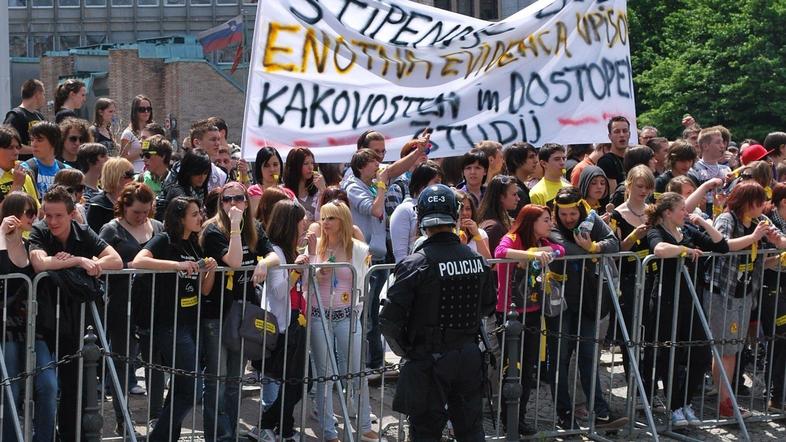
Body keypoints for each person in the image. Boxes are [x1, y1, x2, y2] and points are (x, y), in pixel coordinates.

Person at [380, 184, 496, 441]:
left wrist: (408, 349)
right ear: (455, 216)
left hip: (428, 359)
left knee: (425, 432)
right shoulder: (476, 261)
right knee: (471, 430)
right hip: (468, 355)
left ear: (421, 218)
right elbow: (489, 305)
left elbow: (389, 320)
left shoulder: (415, 264)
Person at [28, 185, 123, 442]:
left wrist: (93, 265)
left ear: (71, 214)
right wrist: (79, 261)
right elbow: (39, 263)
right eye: (48, 215)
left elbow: (115, 260)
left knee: (74, 387)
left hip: (77, 321)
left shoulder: (83, 231)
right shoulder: (39, 230)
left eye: (58, 215)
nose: (52, 221)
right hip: (44, 322)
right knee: (45, 387)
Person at [130, 196, 218, 442]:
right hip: (170, 324)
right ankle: (159, 437)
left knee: (182, 386)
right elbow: (139, 261)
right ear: (180, 218)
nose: (200, 217)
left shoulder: (195, 243)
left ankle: (167, 436)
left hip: (192, 322)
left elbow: (205, 289)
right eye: (194, 214)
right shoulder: (165, 239)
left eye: (200, 213)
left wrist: (209, 269)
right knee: (191, 390)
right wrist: (177, 265)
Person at [199, 181, 279, 442]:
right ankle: (216, 436)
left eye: (239, 198)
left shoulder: (254, 227)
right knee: (217, 380)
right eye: (227, 199)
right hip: (217, 313)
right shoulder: (212, 230)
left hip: (243, 311)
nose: (233, 204)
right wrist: (234, 227)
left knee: (234, 380)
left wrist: (264, 264)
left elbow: (275, 255)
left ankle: (229, 434)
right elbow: (233, 262)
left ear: (247, 202)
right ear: (220, 203)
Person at [645, 192, 728, 426]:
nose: (686, 212)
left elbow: (721, 246)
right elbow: (659, 249)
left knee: (701, 354)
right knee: (668, 355)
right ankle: (673, 408)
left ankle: (684, 402)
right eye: (681, 209)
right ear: (667, 213)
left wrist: (701, 222)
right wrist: (683, 251)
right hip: (666, 301)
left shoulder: (687, 231)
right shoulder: (657, 230)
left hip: (691, 300)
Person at [547, 186, 626, 430]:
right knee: (559, 358)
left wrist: (595, 248)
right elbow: (566, 249)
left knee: (589, 357)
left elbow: (614, 243)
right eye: (564, 215)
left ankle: (601, 412)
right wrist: (588, 248)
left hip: (590, 299)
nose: (569, 219)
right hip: (561, 302)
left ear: (580, 208)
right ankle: (564, 413)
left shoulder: (591, 219)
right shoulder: (550, 226)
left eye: (573, 214)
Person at [707, 182, 786, 418]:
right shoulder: (727, 219)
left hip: (746, 291)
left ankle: (726, 400)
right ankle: (724, 401)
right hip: (723, 291)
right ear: (747, 202)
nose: (763, 206)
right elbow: (722, 245)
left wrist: (774, 240)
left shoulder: (761, 219)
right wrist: (754, 236)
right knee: (725, 349)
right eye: (759, 201)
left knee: (733, 347)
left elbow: (782, 241)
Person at [307, 200, 382, 442]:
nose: (325, 223)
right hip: (320, 317)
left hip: (347, 317)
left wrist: (356, 313)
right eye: (324, 218)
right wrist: (317, 273)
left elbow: (362, 285)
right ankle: (329, 430)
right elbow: (305, 285)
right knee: (324, 375)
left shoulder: (358, 248)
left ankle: (363, 423)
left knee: (356, 372)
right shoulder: (315, 247)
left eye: (331, 218)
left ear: (343, 222)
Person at [98, 182, 164, 437]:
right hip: (121, 305)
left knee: (155, 364)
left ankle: (156, 417)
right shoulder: (111, 229)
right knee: (123, 362)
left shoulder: (157, 228)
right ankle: (122, 417)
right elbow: (98, 261)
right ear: (124, 206)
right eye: (136, 211)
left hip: (154, 306)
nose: (142, 216)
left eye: (146, 211)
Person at [494, 204, 564, 436]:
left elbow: (560, 250)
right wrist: (530, 254)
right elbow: (499, 253)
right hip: (509, 312)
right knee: (510, 368)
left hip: (532, 310)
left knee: (527, 370)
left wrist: (542, 251)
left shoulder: (543, 242)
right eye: (545, 220)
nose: (550, 224)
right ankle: (506, 419)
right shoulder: (513, 237)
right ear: (531, 221)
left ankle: (519, 417)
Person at [250, 199, 310, 442]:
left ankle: (280, 428)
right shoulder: (275, 251)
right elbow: (277, 291)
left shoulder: (290, 249)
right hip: (283, 324)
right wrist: (295, 270)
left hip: (297, 320)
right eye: (300, 222)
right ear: (289, 224)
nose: (304, 226)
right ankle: (267, 426)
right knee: (294, 383)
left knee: (297, 382)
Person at [0, 191, 57, 442]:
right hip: (7, 328)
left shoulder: (32, 242)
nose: (34, 217)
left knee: (48, 385)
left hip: (34, 326)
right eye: (29, 213)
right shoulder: (2, 241)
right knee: (10, 386)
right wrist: (3, 235)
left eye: (36, 212)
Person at [344, 148, 391, 372]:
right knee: (366, 314)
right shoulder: (353, 187)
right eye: (374, 162)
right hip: (366, 259)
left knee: (375, 312)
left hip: (379, 257)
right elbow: (375, 210)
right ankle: (364, 364)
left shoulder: (372, 186)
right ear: (362, 166)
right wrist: (381, 186)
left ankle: (374, 360)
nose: (378, 166)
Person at [608, 165, 654, 379]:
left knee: (651, 331)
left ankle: (649, 383)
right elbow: (617, 249)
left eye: (648, 187)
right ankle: (633, 379)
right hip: (628, 277)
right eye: (640, 186)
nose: (643, 191)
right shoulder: (618, 214)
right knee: (631, 332)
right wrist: (634, 236)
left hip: (653, 277)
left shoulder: (653, 211)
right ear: (628, 185)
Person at [389, 161, 443, 263]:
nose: (440, 187)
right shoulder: (404, 210)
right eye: (436, 182)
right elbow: (401, 256)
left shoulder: (441, 209)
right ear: (422, 184)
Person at [154, 151, 211, 220]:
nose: (201, 177)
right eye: (197, 173)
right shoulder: (177, 193)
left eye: (205, 173)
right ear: (188, 171)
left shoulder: (200, 192)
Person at [86, 157, 135, 234]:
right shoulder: (97, 205)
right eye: (129, 174)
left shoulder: (135, 200)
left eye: (133, 174)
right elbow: (93, 236)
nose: (133, 178)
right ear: (115, 176)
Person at [688, 128, 732, 215]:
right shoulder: (694, 170)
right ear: (705, 146)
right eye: (718, 142)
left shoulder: (726, 169)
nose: (722, 146)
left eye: (722, 142)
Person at [23, 121, 70, 198]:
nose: (34, 144)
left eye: (39, 140)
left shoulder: (67, 171)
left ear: (53, 142)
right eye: (32, 140)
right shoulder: (25, 169)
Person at [3, 79, 46, 159]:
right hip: (22, 166)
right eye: (43, 94)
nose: (44, 98)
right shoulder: (15, 115)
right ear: (37, 94)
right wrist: (36, 150)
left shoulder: (39, 116)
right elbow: (7, 143)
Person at [477, 175, 519, 254]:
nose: (518, 198)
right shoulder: (494, 228)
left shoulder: (502, 222)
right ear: (501, 197)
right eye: (514, 194)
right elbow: (491, 262)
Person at [284, 146, 326, 223]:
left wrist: (323, 191)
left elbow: (321, 219)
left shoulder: (316, 190)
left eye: (312, 163)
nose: (311, 167)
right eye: (306, 163)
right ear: (295, 166)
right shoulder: (284, 192)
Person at [248, 146, 291, 217]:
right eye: (266, 165)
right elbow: (256, 216)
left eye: (275, 164)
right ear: (259, 168)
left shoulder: (288, 193)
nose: (272, 169)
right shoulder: (253, 191)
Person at [0, 125, 38, 203]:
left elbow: (36, 210)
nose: (16, 152)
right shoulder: (19, 179)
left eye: (17, 147)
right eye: (10, 148)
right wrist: (16, 186)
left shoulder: (23, 175)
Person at [190, 121, 228, 191]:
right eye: (213, 140)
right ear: (197, 142)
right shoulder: (180, 169)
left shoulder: (221, 174)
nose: (217, 143)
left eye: (218, 139)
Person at [120, 95, 154, 173]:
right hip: (136, 174)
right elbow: (122, 159)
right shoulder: (128, 133)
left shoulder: (154, 130)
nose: (146, 112)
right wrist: (142, 151)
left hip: (153, 173)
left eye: (149, 109)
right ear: (135, 111)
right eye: (142, 109)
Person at [502, 141, 536, 216]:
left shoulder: (519, 187)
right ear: (516, 161)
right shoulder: (515, 190)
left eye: (535, 156)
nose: (536, 161)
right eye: (531, 157)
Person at [598, 116, 631, 191]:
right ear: (610, 136)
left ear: (629, 134)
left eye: (625, 131)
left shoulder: (634, 159)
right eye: (617, 131)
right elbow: (614, 194)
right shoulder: (606, 162)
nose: (622, 135)